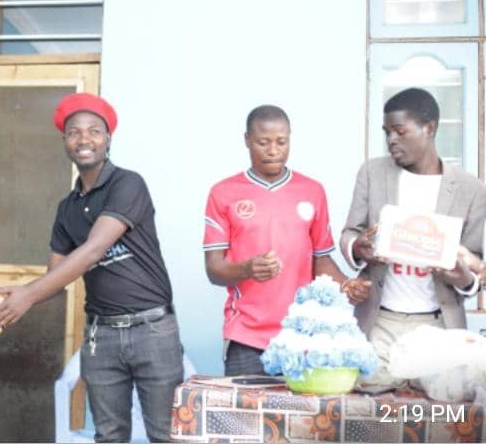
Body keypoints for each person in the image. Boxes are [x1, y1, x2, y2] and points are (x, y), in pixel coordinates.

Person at [0, 92, 184, 443]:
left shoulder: (128, 183)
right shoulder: (67, 208)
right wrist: (16, 296)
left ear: (108, 139)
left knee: (166, 437)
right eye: (74, 132)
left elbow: (94, 250)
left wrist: (29, 295)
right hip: (100, 336)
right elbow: (57, 275)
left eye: (94, 131)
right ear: (65, 141)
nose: (84, 139)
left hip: (152, 329)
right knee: (108, 438)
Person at [203, 105, 368, 376]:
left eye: (281, 142)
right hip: (246, 336)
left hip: (301, 335)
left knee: (302, 407)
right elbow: (214, 270)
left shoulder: (312, 191)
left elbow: (320, 259)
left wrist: (346, 284)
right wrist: (247, 269)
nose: (273, 150)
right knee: (245, 406)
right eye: (263, 142)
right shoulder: (223, 193)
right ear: (247, 140)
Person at [340, 88, 486, 389]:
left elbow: (475, 264)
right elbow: (350, 233)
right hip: (380, 320)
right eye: (387, 133)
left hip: (437, 322)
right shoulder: (372, 173)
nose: (391, 140)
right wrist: (358, 247)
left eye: (400, 131)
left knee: (440, 408)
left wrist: (462, 277)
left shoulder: (470, 189)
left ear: (429, 128)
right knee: (369, 404)